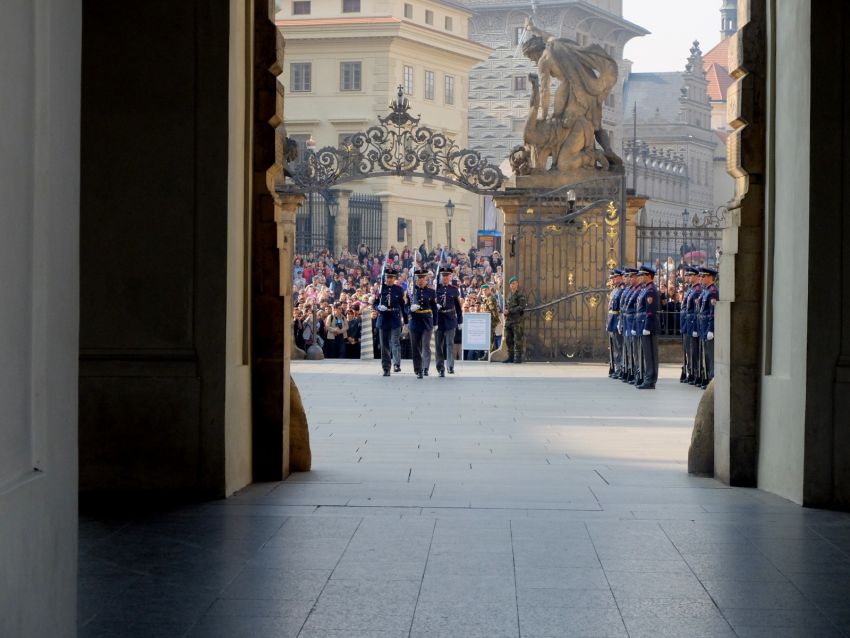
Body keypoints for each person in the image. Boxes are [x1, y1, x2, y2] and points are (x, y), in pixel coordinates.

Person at [372, 267, 408, 376]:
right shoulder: (380, 289)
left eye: (392, 277)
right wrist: (378, 308)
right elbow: (374, 303)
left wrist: (406, 321)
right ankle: (386, 368)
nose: (389, 279)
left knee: (395, 342)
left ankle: (396, 364)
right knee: (384, 345)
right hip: (383, 319)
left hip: (395, 318)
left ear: (394, 278)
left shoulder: (399, 289)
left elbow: (402, 306)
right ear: (385, 278)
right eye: (388, 277)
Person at [407, 268, 437, 378]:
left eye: (422, 278)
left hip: (426, 321)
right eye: (418, 278)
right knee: (415, 347)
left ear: (426, 279)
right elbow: (405, 307)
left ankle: (425, 368)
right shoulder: (410, 292)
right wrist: (410, 309)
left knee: (425, 345)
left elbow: (434, 308)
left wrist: (435, 323)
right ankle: (418, 369)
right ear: (416, 279)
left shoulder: (431, 292)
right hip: (415, 321)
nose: (420, 280)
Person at [635, 265, 660, 389]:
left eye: (642, 275)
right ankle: (649, 378)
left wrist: (647, 327)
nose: (640, 277)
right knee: (647, 354)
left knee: (650, 354)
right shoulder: (645, 289)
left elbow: (650, 311)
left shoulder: (650, 290)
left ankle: (650, 379)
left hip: (648, 326)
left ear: (649, 276)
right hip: (643, 325)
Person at [435, 267, 463, 376]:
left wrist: (460, 320)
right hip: (439, 319)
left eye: (447, 275)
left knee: (450, 344)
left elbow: (458, 306)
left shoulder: (454, 289)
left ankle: (450, 366)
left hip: (450, 319)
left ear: (450, 277)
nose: (445, 277)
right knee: (439, 345)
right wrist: (435, 305)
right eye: (443, 275)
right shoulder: (437, 288)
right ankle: (440, 368)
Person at [697, 266, 719, 389]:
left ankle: (713, 381)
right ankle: (708, 379)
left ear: (710, 277)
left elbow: (713, 313)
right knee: (706, 355)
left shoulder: (713, 292)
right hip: (703, 327)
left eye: (703, 276)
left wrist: (711, 329)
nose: (701, 278)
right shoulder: (706, 291)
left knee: (711, 356)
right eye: (700, 276)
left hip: (708, 328)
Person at [680, 266, 700, 383]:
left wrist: (695, 327)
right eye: (687, 275)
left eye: (690, 275)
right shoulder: (691, 289)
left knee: (693, 351)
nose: (688, 277)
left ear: (696, 276)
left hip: (692, 324)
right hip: (686, 324)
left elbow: (696, 311)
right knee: (688, 350)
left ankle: (695, 373)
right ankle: (690, 371)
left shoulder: (697, 290)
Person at [503, 275, 527, 363]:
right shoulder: (509, 295)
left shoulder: (520, 295)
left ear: (517, 284)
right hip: (509, 321)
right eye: (511, 284)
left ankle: (518, 357)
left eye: (514, 283)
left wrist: (510, 311)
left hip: (517, 321)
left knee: (517, 339)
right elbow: (506, 305)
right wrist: (505, 311)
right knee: (508, 339)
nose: (513, 285)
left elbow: (522, 307)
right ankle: (510, 356)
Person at [606, 268, 624, 378]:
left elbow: (621, 308)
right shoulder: (615, 290)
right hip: (612, 320)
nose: (613, 280)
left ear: (621, 277)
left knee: (619, 345)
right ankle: (615, 366)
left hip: (617, 319)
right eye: (612, 278)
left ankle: (620, 368)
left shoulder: (622, 289)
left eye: (615, 277)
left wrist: (620, 322)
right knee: (614, 346)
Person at [480, 283, 501, 358]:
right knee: (488, 338)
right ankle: (488, 354)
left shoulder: (491, 298)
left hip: (491, 321)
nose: (484, 292)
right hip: (487, 321)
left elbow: (494, 311)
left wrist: (496, 321)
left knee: (490, 338)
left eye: (486, 290)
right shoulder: (486, 299)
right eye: (483, 290)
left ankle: (490, 354)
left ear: (489, 290)